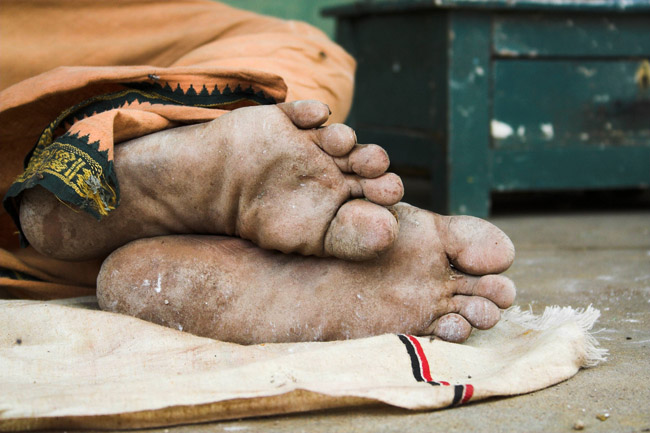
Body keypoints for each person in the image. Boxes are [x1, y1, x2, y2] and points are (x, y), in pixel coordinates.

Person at [0, 0, 515, 343]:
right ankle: (145, 155)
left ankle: (114, 181)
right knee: (296, 56)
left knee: (293, 54)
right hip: (108, 42)